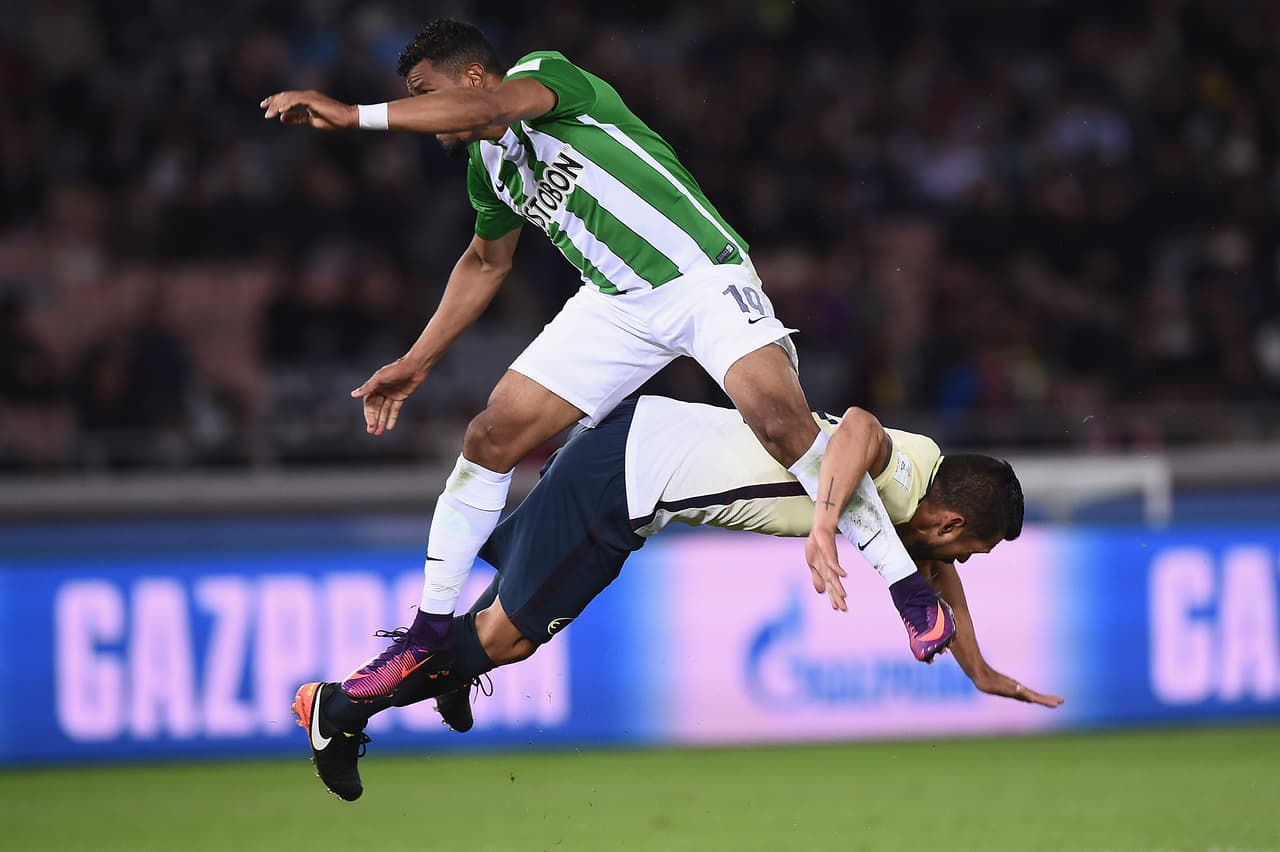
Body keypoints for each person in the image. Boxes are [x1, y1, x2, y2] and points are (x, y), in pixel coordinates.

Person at [260, 18, 949, 700]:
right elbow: (483, 262)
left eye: (423, 91)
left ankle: (907, 588)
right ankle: (429, 632)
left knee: (779, 420)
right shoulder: (487, 167)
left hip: (696, 274)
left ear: (470, 77)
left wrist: (355, 116)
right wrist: (418, 359)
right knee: (491, 435)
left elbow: (491, 107)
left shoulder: (542, 77)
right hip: (616, 303)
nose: (423, 111)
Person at [292, 395, 1063, 801]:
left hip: (631, 455)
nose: (964, 560)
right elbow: (858, 427)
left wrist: (980, 670)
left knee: (502, 627)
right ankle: (342, 705)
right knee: (510, 638)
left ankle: (446, 676)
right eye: (973, 546)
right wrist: (825, 525)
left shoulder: (919, 495)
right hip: (624, 482)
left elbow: (935, 575)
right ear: (955, 520)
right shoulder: (901, 475)